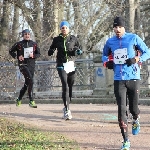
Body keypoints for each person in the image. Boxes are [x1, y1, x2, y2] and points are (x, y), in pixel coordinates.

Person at [102, 16, 150, 150]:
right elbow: (104, 55)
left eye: (120, 27)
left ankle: (136, 118)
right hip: (119, 79)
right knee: (121, 109)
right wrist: (107, 62)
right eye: (115, 27)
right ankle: (126, 140)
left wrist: (136, 59)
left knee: (133, 108)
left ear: (124, 28)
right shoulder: (110, 42)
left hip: (133, 77)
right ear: (113, 28)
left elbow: (147, 52)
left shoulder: (133, 38)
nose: (117, 29)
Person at [48, 21, 82, 120]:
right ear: (60, 29)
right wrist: (50, 51)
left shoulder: (73, 39)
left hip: (71, 64)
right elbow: (51, 49)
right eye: (62, 28)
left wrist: (78, 51)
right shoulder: (56, 39)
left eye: (66, 28)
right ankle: (67, 110)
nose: (64, 29)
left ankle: (67, 105)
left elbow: (79, 48)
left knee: (70, 86)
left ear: (68, 29)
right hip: (61, 65)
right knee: (65, 86)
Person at [9, 29, 40, 108]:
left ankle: (19, 99)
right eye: (25, 34)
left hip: (31, 66)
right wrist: (17, 56)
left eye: (28, 34)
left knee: (27, 83)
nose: (27, 35)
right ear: (23, 35)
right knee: (31, 81)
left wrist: (33, 56)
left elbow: (38, 53)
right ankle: (31, 100)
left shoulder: (34, 44)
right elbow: (11, 51)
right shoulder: (19, 44)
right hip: (23, 65)